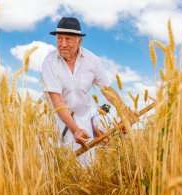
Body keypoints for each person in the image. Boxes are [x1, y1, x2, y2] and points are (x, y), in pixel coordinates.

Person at [41, 17, 137, 162]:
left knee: (84, 169)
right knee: (52, 165)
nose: (63, 44)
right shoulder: (49, 62)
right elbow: (58, 101)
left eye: (68, 39)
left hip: (82, 122)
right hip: (53, 123)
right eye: (59, 38)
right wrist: (75, 129)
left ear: (79, 40)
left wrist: (124, 111)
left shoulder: (92, 60)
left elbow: (106, 89)